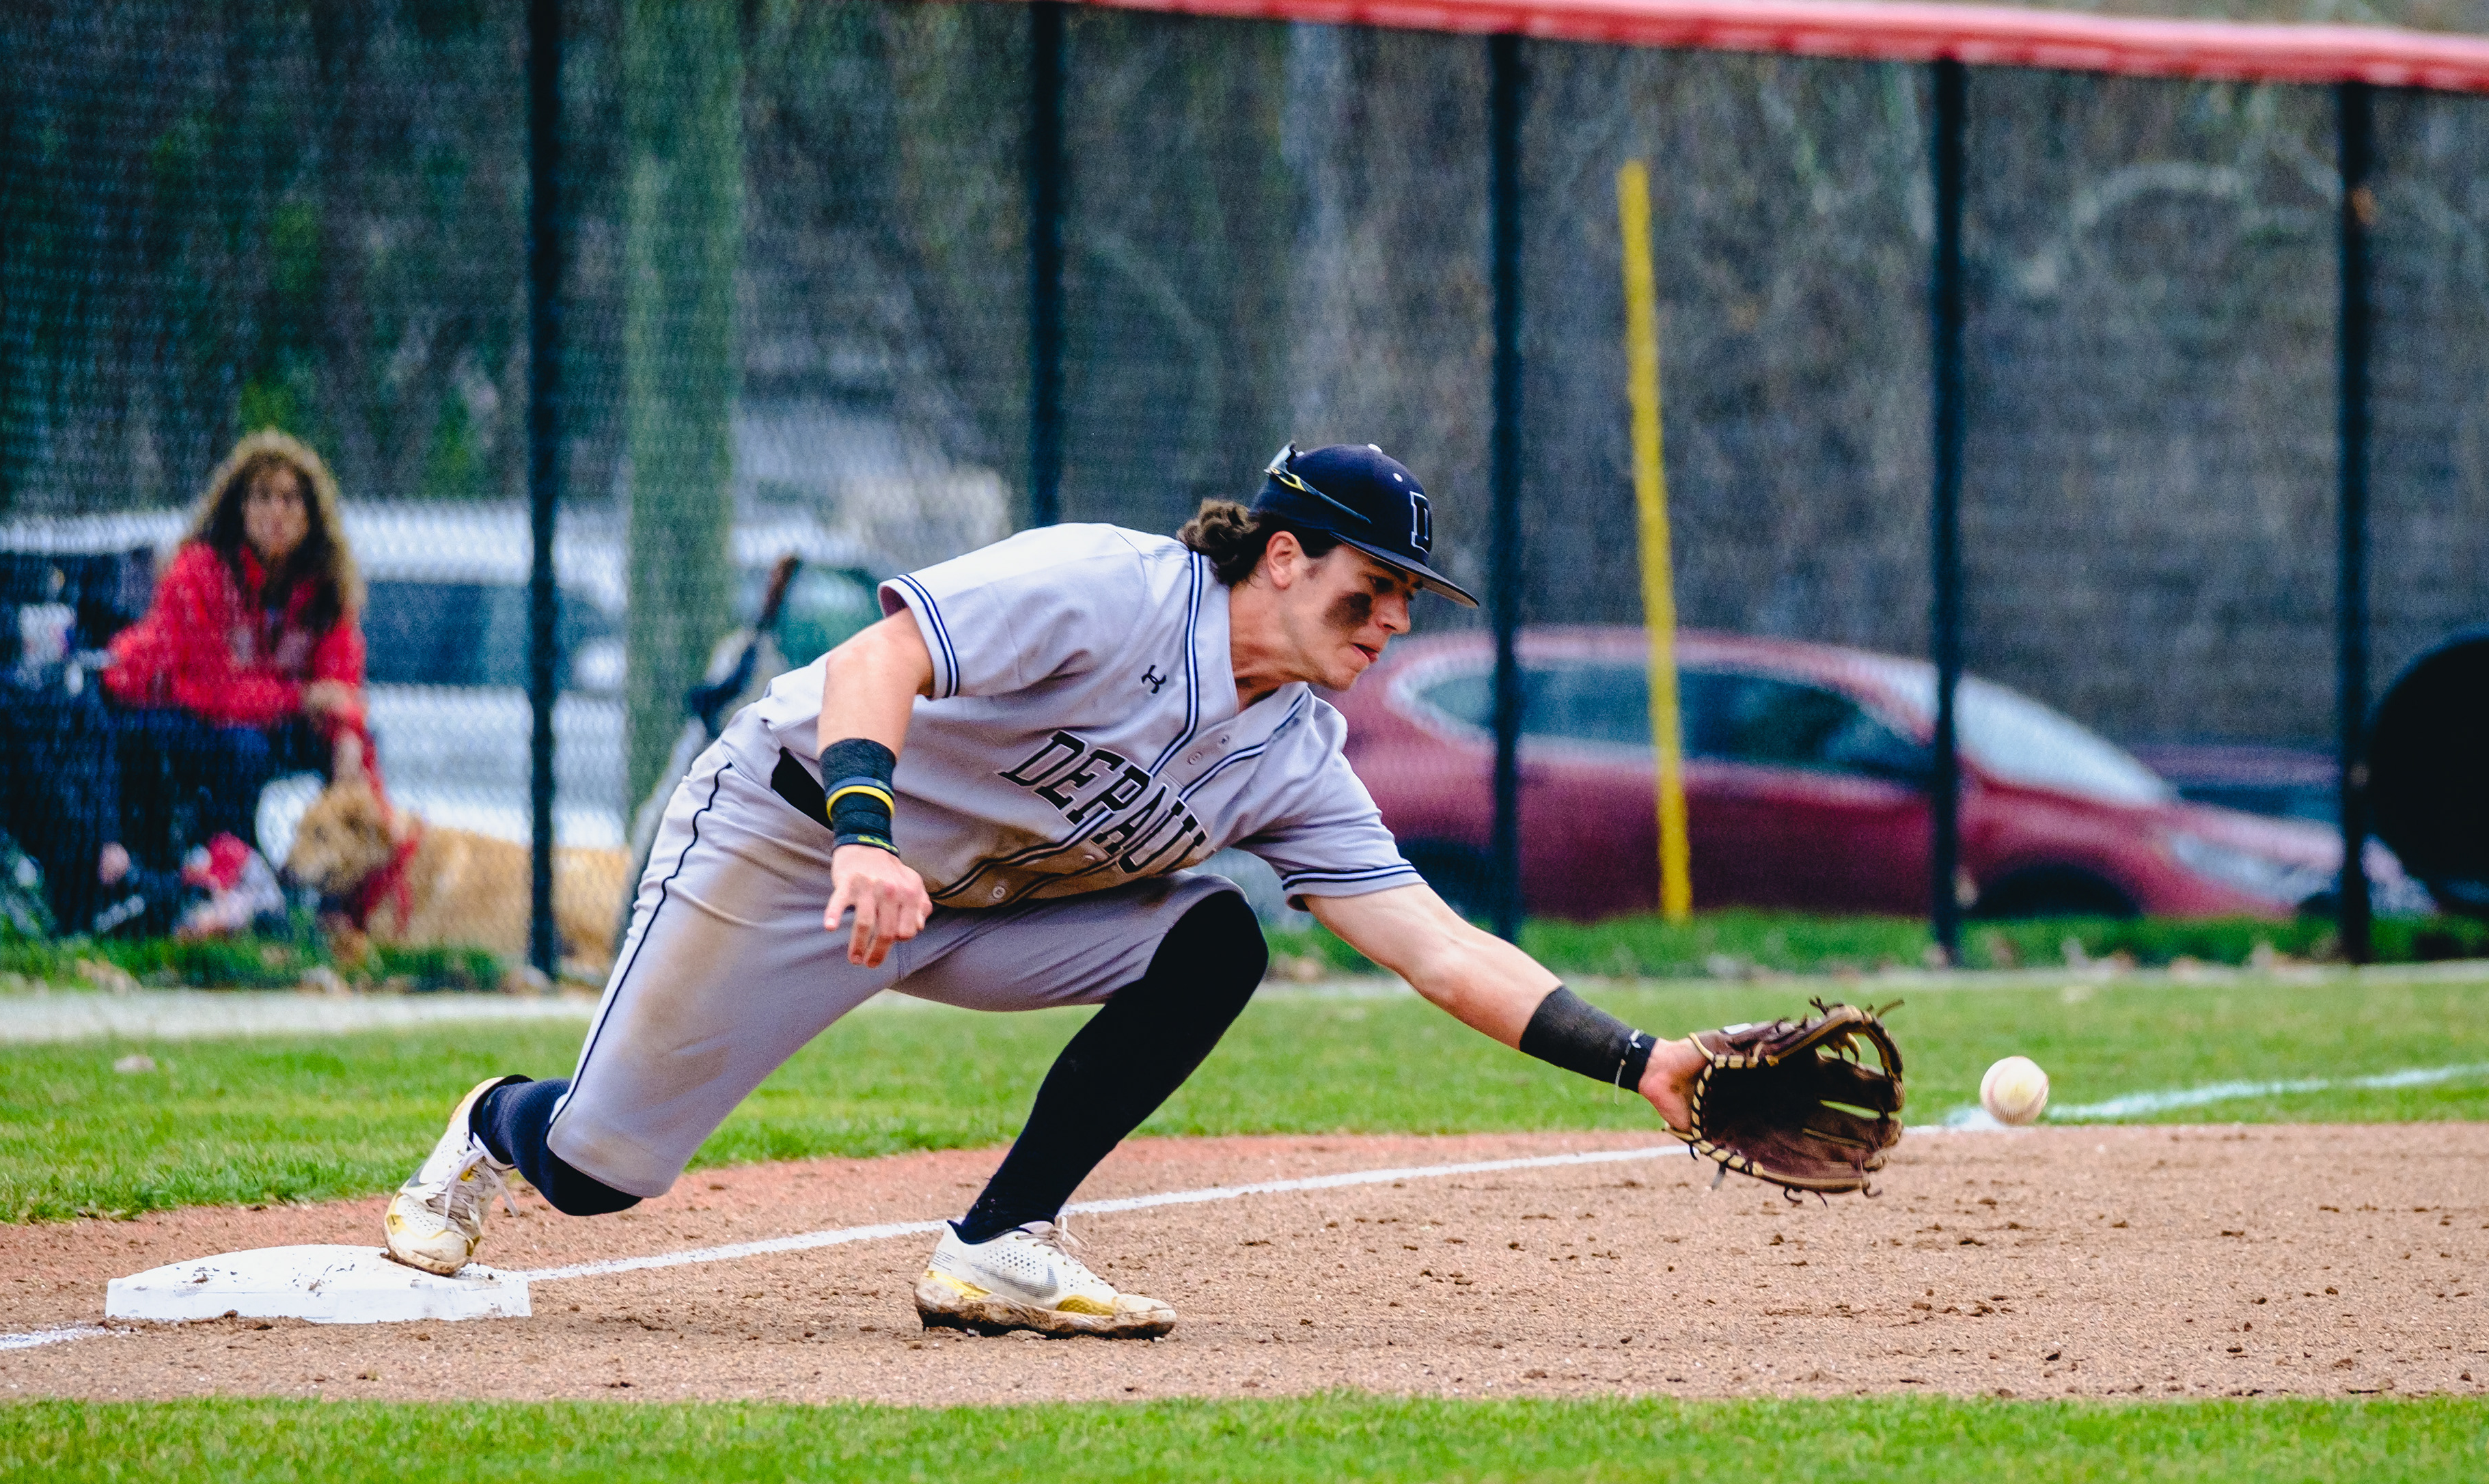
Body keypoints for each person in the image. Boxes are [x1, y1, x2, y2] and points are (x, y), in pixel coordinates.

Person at [381, 443, 1706, 1336]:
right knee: (599, 1172)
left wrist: (1641, 1058)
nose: (1396, 621)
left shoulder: (1298, 755)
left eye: (1411, 598)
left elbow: (1437, 947)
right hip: (790, 842)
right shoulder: (1110, 589)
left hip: (971, 914)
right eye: (1378, 589)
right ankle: (497, 1125)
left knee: (1214, 933)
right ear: (1287, 555)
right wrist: (865, 831)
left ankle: (1002, 1240)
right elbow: (874, 661)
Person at [97, 431, 372, 927]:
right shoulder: (199, 571)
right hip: (162, 709)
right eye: (263, 496)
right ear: (239, 507)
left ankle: (347, 903)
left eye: (291, 499)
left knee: (357, 752)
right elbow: (207, 687)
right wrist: (301, 697)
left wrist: (348, 732)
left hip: (261, 717)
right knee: (241, 749)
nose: (277, 511)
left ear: (311, 515)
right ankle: (234, 882)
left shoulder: (325, 586)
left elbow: (340, 684)